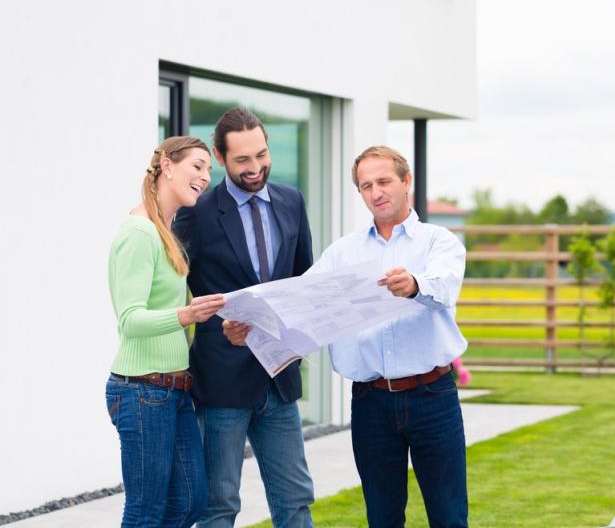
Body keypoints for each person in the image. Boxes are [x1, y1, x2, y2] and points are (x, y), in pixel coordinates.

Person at [225, 145, 470, 528]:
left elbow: (445, 284)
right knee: (382, 517)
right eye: (366, 185)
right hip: (370, 403)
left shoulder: (438, 242)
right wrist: (250, 327)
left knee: (449, 516)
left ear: (406, 182)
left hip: (432, 398)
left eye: (384, 181)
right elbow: (299, 304)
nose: (376, 192)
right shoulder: (342, 253)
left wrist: (414, 283)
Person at [173, 108, 315, 528]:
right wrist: (219, 324)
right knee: (219, 505)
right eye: (242, 160)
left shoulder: (291, 201)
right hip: (221, 383)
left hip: (279, 375)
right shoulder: (195, 213)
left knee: (295, 499)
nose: (255, 168)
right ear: (220, 157)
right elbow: (171, 291)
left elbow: (301, 281)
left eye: (261, 155)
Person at [106, 136, 225, 527]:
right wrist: (186, 315)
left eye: (209, 169)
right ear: (168, 166)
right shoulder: (139, 233)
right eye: (197, 166)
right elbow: (131, 320)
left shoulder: (166, 232)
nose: (205, 176)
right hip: (142, 390)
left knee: (189, 503)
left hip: (174, 390)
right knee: (146, 511)